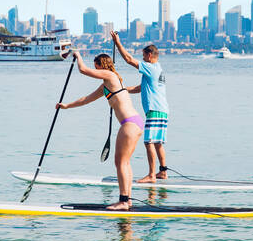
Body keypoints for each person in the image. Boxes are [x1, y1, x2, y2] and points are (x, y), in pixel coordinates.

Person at [56, 50, 143, 210]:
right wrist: (67, 106)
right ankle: (128, 200)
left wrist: (78, 55)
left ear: (101, 66)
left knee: (120, 162)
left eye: (96, 67)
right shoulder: (107, 84)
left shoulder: (110, 76)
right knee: (124, 162)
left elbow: (83, 70)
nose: (96, 71)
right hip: (135, 122)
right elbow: (86, 99)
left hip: (130, 124)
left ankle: (123, 201)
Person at [110, 31, 169, 183]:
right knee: (157, 142)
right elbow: (142, 87)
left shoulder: (150, 67)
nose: (142, 59)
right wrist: (124, 89)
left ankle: (151, 175)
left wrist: (117, 43)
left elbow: (129, 60)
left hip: (155, 110)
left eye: (143, 56)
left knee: (148, 142)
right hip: (162, 110)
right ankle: (162, 171)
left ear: (149, 55)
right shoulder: (158, 69)